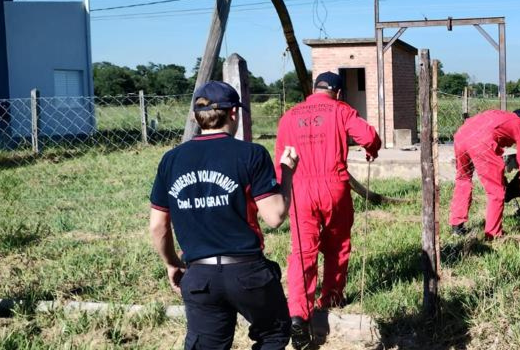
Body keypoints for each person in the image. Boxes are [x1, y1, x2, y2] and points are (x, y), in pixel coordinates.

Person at [149, 81, 299, 349]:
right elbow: (275, 216)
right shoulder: (251, 154)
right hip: (248, 273)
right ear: (233, 113)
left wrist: (172, 263)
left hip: (198, 276)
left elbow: (158, 225)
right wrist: (286, 174)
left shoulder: (170, 160)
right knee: (272, 335)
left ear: (197, 116)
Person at [275, 71, 381, 348]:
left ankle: (298, 314)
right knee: (337, 243)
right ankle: (331, 297)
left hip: (299, 187)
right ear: (337, 92)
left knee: (301, 251)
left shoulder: (289, 116)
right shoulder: (341, 109)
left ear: (313, 89)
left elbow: (281, 160)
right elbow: (368, 136)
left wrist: (281, 191)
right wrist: (372, 149)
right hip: (333, 185)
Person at [450, 109, 520, 240]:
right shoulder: (519, 123)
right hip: (481, 142)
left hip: (461, 136)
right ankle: (493, 235)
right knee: (496, 191)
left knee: (463, 179)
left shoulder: (498, 114)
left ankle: (457, 226)